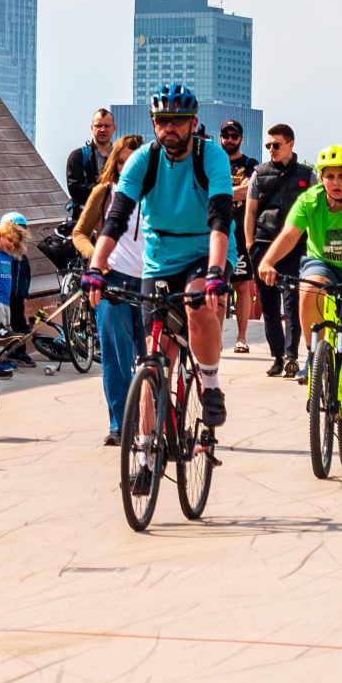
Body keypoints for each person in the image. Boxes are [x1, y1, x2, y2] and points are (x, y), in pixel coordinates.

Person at [86, 85, 238, 437]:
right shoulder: (144, 159)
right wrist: (95, 268)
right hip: (160, 259)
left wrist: (216, 273)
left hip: (205, 249)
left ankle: (210, 385)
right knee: (152, 361)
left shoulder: (210, 156)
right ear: (153, 123)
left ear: (193, 124)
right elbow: (116, 218)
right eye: (162, 120)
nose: (170, 127)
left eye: (178, 121)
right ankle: (144, 448)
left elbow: (220, 218)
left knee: (197, 301)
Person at [257, 144, 342, 446]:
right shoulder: (309, 200)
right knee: (310, 286)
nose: (335, 182)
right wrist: (268, 262)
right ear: (321, 178)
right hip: (323, 264)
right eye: (329, 176)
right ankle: (313, 355)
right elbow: (289, 236)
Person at [71, 134, 147, 445]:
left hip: (151, 282)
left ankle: (154, 422)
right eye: (121, 162)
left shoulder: (157, 193)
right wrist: (97, 260)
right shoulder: (104, 192)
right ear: (114, 163)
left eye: (134, 163)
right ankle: (121, 425)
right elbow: (79, 233)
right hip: (113, 281)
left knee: (153, 358)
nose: (127, 168)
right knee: (116, 358)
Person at [244, 124, 317, 377]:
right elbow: (251, 210)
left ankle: (291, 356)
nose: (271, 149)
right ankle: (277, 356)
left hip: (296, 246)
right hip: (263, 244)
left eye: (276, 145)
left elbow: (315, 211)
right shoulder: (259, 173)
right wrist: (250, 243)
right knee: (269, 305)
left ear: (290, 144)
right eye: (268, 145)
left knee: (293, 302)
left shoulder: (307, 174)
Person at [216, 121, 258, 354]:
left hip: (241, 232)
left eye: (235, 135)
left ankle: (241, 338)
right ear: (220, 137)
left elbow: (248, 192)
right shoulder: (213, 161)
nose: (230, 139)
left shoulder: (250, 165)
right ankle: (217, 337)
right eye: (226, 135)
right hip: (216, 230)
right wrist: (234, 192)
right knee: (218, 287)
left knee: (242, 286)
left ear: (241, 138)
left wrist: (220, 193)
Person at [65, 109, 117, 213]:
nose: (103, 129)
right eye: (98, 126)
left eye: (107, 126)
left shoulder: (121, 157)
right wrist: (108, 187)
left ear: (114, 128)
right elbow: (74, 190)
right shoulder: (78, 156)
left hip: (114, 218)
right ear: (92, 128)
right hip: (84, 216)